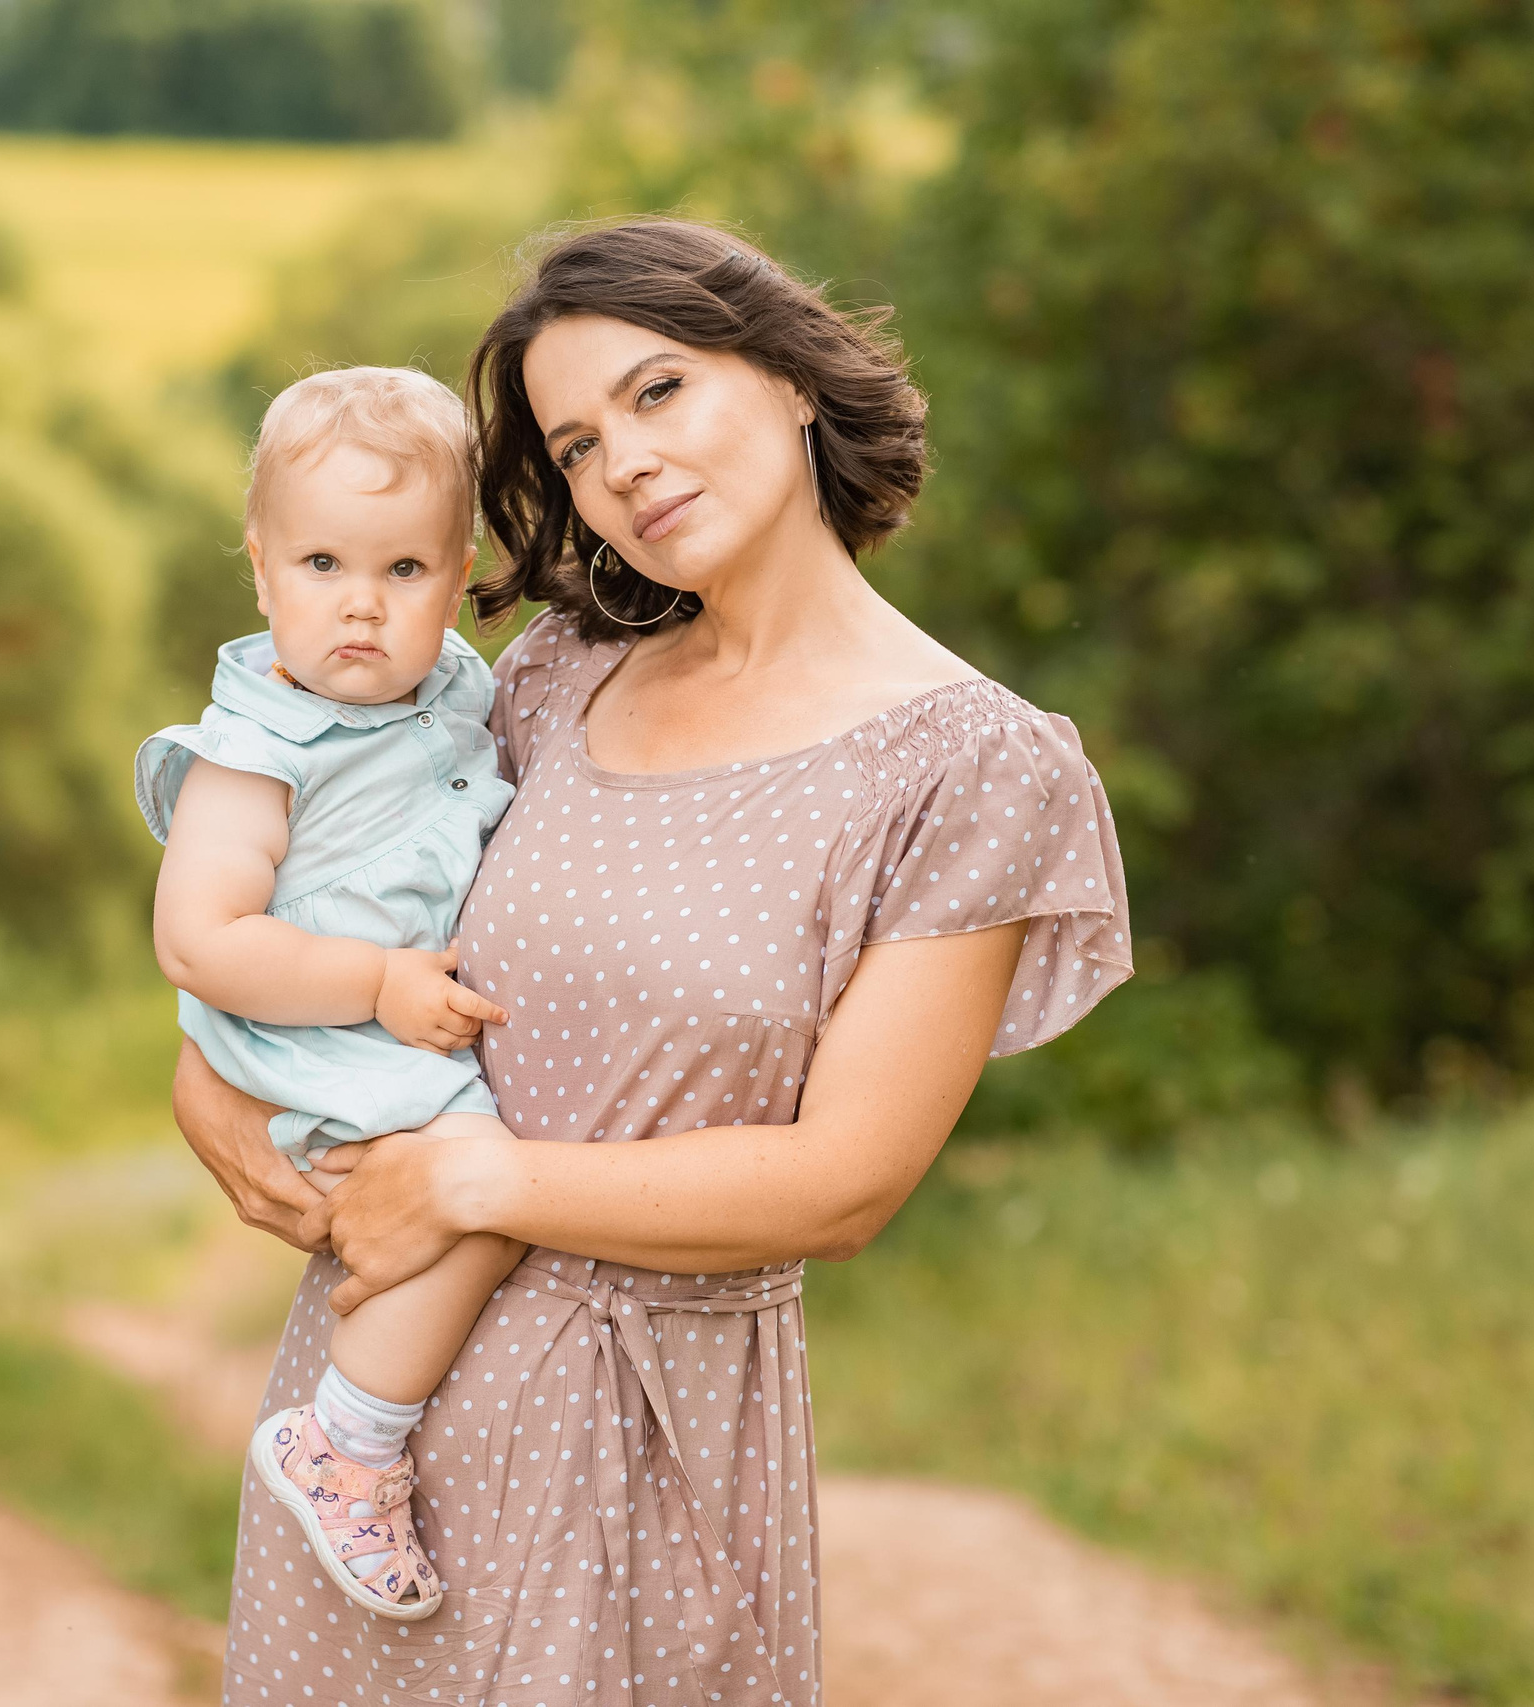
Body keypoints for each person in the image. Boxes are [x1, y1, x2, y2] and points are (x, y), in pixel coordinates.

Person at [175, 220, 1135, 1706]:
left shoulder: (971, 767)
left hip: (654, 1442)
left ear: (792, 382)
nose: (619, 460)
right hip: (372, 1430)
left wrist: (480, 1180)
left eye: (658, 392)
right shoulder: (558, 675)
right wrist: (206, 1069)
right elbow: (342, 888)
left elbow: (847, 1178)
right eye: (572, 442)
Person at [138, 366, 528, 1619]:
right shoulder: (253, 752)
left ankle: (365, 1427)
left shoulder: (459, 687)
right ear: (259, 571)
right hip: (308, 1024)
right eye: (320, 566)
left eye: (403, 572)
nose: (360, 606)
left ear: (460, 573)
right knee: (482, 1183)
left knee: (483, 1184)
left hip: (379, 1012)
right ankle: (347, 1444)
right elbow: (199, 940)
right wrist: (373, 984)